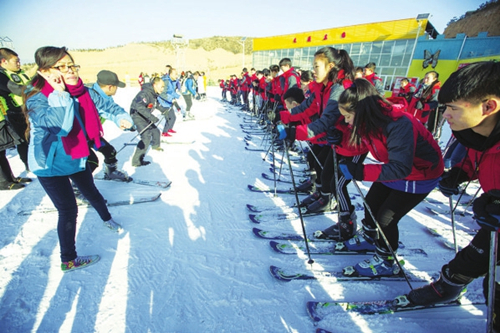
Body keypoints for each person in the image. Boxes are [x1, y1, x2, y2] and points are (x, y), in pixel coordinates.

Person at [404, 62, 500, 328]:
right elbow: (479, 157)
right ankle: (449, 287)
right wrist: (460, 173)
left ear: (488, 106)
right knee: (471, 260)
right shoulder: (480, 132)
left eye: (453, 108)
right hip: (495, 225)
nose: (445, 115)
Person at [23, 46, 123, 272]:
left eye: (72, 65)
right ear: (45, 71)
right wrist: (59, 94)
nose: (70, 70)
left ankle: (107, 219)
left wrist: (120, 117)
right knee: (68, 210)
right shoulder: (36, 97)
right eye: (62, 66)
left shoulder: (78, 90)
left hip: (75, 156)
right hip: (49, 163)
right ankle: (68, 259)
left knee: (92, 192)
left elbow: (105, 105)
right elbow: (58, 126)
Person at [334, 78, 443, 277]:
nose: (347, 122)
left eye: (348, 117)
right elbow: (362, 146)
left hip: (419, 174)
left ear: (362, 111)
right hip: (396, 169)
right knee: (371, 203)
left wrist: (360, 171)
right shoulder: (369, 122)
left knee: (385, 219)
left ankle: (386, 260)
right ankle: (368, 238)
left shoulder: (398, 124)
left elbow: (401, 167)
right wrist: (335, 136)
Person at [89, 70, 134, 181]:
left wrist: (122, 121)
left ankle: (111, 172)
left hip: (92, 135)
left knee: (110, 152)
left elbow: (109, 112)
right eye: (116, 86)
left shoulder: (104, 97)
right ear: (110, 87)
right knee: (92, 162)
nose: (117, 89)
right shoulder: (91, 97)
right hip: (78, 138)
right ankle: (77, 187)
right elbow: (107, 110)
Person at [0, 48, 31, 172]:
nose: (19, 63)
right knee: (23, 141)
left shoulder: (21, 72)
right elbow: (17, 89)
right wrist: (35, 89)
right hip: (15, 113)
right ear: (4, 61)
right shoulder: (2, 76)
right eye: (16, 61)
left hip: (30, 110)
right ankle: (29, 165)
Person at [130, 77, 167, 166]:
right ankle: (136, 161)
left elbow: (155, 104)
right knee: (146, 136)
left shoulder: (153, 94)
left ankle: (155, 146)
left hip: (145, 115)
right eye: (161, 86)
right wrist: (151, 117)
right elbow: (139, 107)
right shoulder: (145, 93)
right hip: (137, 115)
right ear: (155, 85)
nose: (162, 89)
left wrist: (163, 110)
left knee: (155, 131)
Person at [410, 71, 441, 136]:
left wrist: (423, 106)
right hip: (414, 114)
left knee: (420, 134)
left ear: (434, 79)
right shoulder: (421, 87)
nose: (425, 80)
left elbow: (435, 103)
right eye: (424, 78)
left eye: (428, 78)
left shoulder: (435, 89)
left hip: (424, 117)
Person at [158, 67, 181, 136]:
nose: (176, 76)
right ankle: (164, 132)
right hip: (163, 102)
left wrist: (178, 96)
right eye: (175, 74)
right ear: (170, 74)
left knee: (173, 117)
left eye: (177, 74)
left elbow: (171, 92)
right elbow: (162, 93)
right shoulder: (166, 81)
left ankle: (169, 128)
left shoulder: (172, 81)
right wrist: (171, 99)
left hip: (168, 102)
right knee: (169, 117)